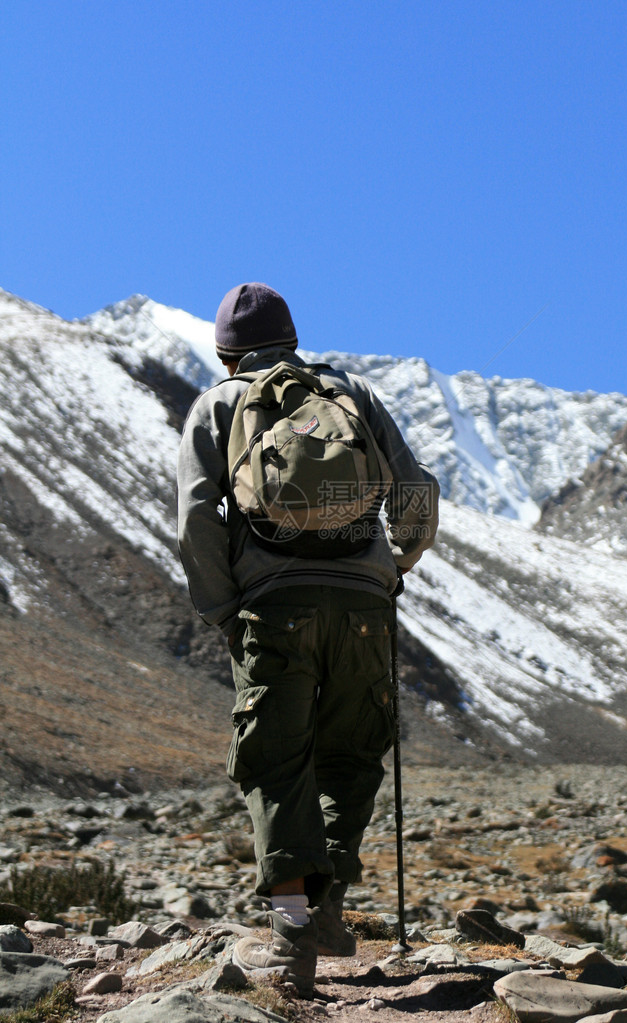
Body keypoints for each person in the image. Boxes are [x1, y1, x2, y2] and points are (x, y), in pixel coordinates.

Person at [177, 282, 439, 995]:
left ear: (225, 352)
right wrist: (398, 562)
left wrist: (226, 611)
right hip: (364, 607)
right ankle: (326, 905)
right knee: (351, 754)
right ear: (293, 337)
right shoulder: (354, 392)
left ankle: (295, 929)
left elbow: (196, 519)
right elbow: (415, 488)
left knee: (274, 762)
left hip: (273, 608)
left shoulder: (221, 404)